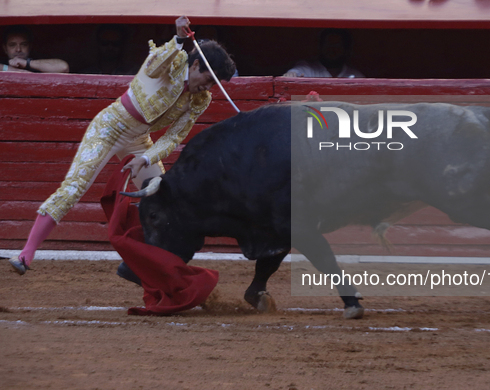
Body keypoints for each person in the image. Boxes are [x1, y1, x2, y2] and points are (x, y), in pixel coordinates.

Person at [9, 16, 236, 275]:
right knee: (73, 189)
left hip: (139, 141)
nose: (207, 88)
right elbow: (152, 67)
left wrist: (146, 158)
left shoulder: (200, 99)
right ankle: (26, 254)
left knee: (163, 200)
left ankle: (144, 263)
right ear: (195, 65)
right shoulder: (172, 61)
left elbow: (172, 138)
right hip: (109, 128)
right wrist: (180, 39)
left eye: (213, 85)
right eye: (208, 80)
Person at [283, 29, 364, 78]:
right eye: (328, 45)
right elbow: (294, 73)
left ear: (346, 49)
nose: (332, 49)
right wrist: (291, 75)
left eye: (337, 46)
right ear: (320, 47)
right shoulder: (309, 70)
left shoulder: (356, 76)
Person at [1, 25, 69, 73]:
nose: (18, 49)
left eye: (24, 44)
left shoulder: (37, 64)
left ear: (30, 47)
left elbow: (63, 67)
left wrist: (26, 63)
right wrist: (11, 70)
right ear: (5, 49)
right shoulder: (2, 63)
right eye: (12, 45)